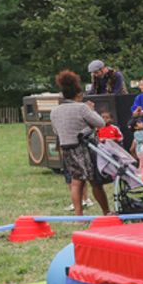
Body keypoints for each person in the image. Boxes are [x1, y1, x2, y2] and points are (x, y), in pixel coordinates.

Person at [50, 70, 111, 215]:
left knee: (76, 182)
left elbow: (56, 130)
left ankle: (78, 216)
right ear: (78, 95)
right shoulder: (82, 107)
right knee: (95, 182)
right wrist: (91, 110)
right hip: (84, 148)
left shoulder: (55, 111)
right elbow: (101, 123)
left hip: (67, 149)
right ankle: (106, 211)